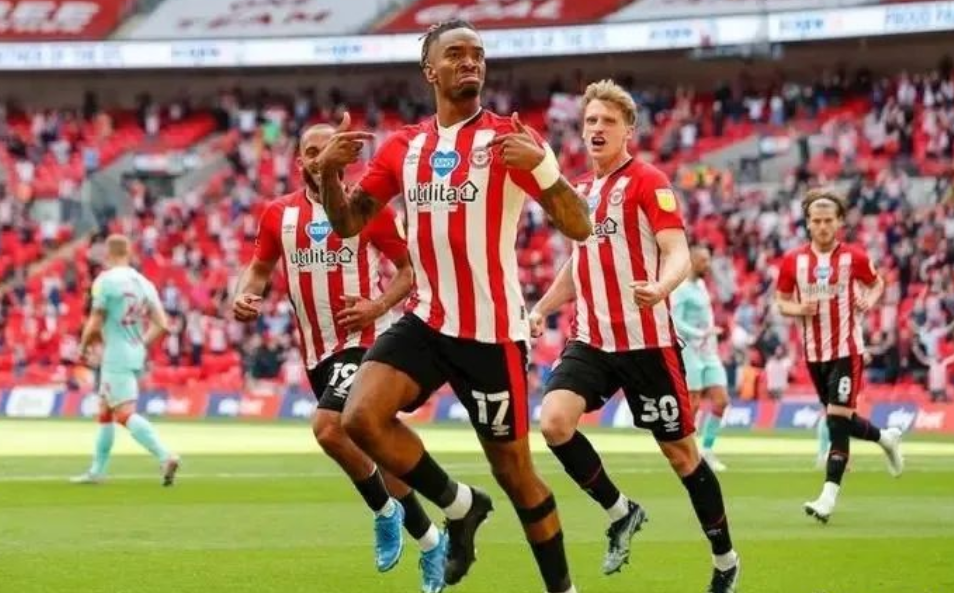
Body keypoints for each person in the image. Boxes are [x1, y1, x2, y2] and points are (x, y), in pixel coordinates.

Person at [314, 19, 592, 593]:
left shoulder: (511, 139)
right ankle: (462, 506)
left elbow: (581, 225)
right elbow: (348, 224)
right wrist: (330, 172)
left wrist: (542, 168)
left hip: (492, 333)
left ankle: (563, 589)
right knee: (358, 417)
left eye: (478, 55)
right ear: (430, 71)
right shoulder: (404, 147)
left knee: (515, 474)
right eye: (456, 54)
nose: (470, 62)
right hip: (428, 319)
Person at [530, 80, 741, 593]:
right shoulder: (580, 192)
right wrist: (541, 308)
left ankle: (725, 559)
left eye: (608, 121)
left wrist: (662, 287)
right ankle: (621, 511)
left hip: (647, 343)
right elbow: (578, 264)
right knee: (553, 422)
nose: (597, 129)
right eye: (590, 121)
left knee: (682, 457)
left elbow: (677, 250)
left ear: (628, 130)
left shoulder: (649, 181)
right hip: (592, 340)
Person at [231, 124, 446, 593]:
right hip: (316, 352)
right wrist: (245, 295)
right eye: (311, 151)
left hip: (365, 341)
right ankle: (432, 542)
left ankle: (384, 511)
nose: (319, 158)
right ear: (300, 161)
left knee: (328, 427)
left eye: (327, 150)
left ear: (345, 158)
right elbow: (259, 269)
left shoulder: (369, 209)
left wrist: (377, 306)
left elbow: (408, 271)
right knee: (380, 454)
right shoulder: (279, 214)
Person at [775, 188, 904, 523]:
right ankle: (886, 438)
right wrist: (797, 308)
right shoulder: (793, 261)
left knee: (836, 422)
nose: (822, 226)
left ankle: (827, 498)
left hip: (847, 350)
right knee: (841, 419)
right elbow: (781, 301)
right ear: (807, 223)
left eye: (828, 220)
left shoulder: (854, 258)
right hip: (814, 354)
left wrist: (869, 300)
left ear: (840, 222)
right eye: (816, 221)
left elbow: (877, 283)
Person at [71, 234, 180, 486]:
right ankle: (97, 471)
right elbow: (162, 324)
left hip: (115, 355)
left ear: (108, 254)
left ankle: (165, 455)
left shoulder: (105, 281)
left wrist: (83, 347)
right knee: (105, 410)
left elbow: (95, 321)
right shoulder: (144, 283)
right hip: (134, 354)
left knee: (123, 414)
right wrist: (140, 344)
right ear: (129, 253)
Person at [671, 246, 731, 471]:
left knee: (721, 400)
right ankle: (689, 453)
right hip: (690, 350)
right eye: (704, 260)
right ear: (692, 261)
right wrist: (700, 333)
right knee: (693, 403)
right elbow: (675, 320)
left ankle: (707, 449)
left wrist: (710, 335)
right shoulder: (681, 289)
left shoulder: (702, 286)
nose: (708, 264)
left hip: (708, 352)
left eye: (708, 260)